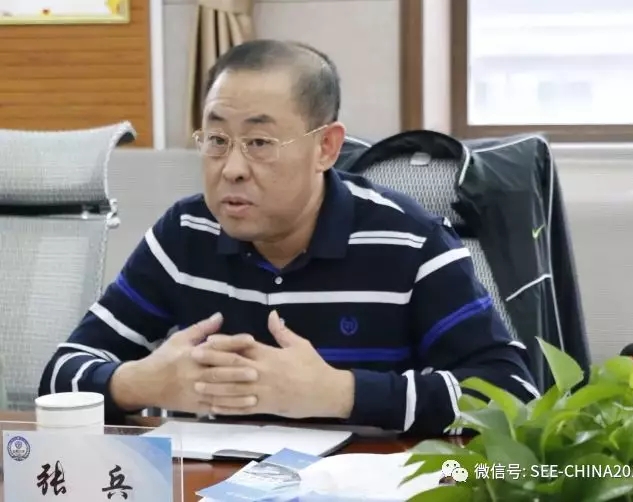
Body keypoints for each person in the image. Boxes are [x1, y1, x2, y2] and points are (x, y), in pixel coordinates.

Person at [38, 40, 538, 436]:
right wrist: (139, 382)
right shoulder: (185, 233)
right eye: (217, 140)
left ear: (326, 148)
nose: (231, 169)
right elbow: (60, 374)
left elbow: (515, 396)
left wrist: (342, 394)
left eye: (259, 142)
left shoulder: (410, 241)